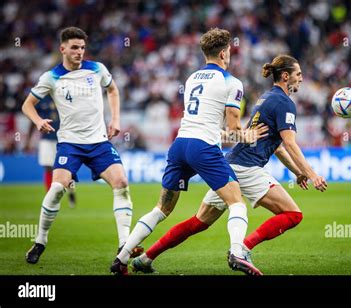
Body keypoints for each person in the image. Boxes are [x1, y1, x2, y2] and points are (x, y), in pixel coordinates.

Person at [129, 55, 328, 275]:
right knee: (293, 214)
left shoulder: (267, 98)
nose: (301, 78)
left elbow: (278, 147)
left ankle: (146, 258)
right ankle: (242, 249)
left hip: (230, 165)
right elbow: (289, 142)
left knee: (199, 222)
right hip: (248, 168)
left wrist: (297, 172)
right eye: (298, 74)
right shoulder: (284, 103)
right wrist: (312, 174)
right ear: (285, 76)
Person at [110, 28, 268, 276]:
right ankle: (237, 253)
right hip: (203, 148)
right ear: (225, 52)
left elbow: (209, 124)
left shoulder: (192, 78)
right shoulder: (232, 82)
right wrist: (247, 135)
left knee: (161, 209)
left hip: (180, 144)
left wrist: (225, 134)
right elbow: (233, 126)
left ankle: (121, 257)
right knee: (237, 203)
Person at [21, 27, 142, 264]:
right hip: (70, 144)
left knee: (122, 183)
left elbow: (113, 89)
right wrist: (37, 121)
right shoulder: (51, 77)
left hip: (99, 142)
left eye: (83, 47)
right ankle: (40, 242)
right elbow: (27, 104)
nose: (79, 52)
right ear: (62, 48)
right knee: (57, 188)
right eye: (75, 47)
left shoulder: (97, 69)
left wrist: (115, 119)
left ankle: (124, 244)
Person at [24, 95, 77, 208]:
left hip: (64, 138)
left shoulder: (64, 94)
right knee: (48, 167)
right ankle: (50, 198)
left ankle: (71, 192)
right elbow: (33, 119)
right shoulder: (40, 98)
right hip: (46, 138)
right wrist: (28, 140)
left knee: (68, 170)